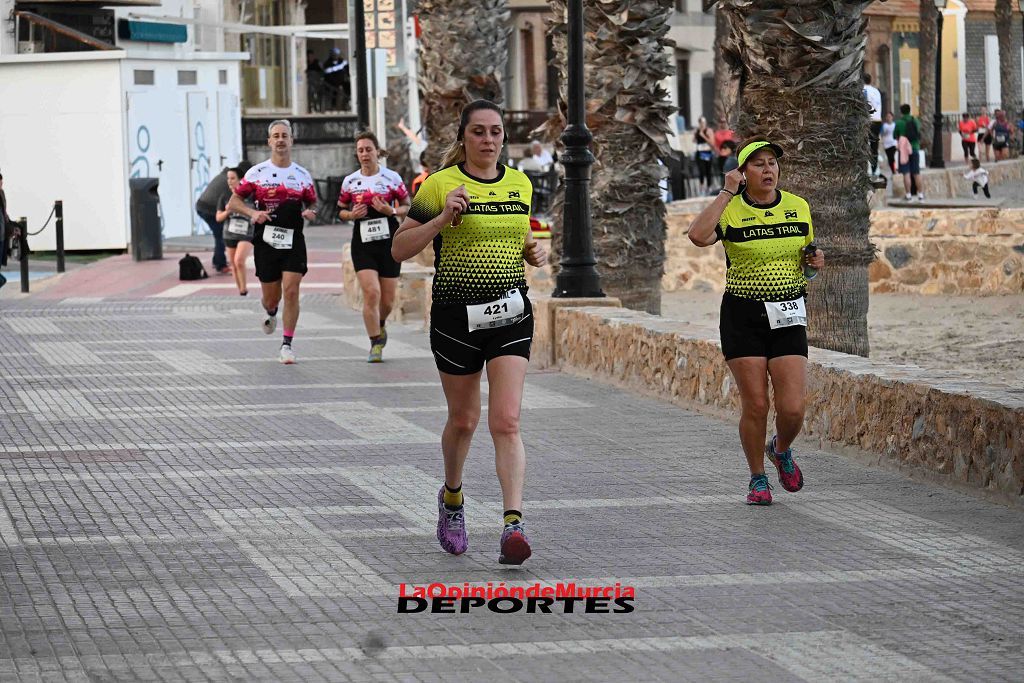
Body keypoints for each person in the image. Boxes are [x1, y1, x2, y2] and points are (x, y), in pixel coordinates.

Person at [391, 99, 546, 565]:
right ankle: (453, 499)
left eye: (496, 131)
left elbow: (513, 235)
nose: (489, 140)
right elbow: (399, 248)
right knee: (464, 421)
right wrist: (440, 220)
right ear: (463, 137)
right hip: (457, 319)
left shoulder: (520, 183)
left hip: (512, 316)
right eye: (478, 132)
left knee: (507, 421)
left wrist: (530, 252)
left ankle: (513, 525)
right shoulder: (439, 185)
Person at [686, 138, 824, 505]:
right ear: (743, 173)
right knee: (757, 404)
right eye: (758, 164)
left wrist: (812, 268)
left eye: (772, 164)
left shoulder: (797, 207)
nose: (768, 170)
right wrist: (726, 194)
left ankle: (779, 449)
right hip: (743, 315)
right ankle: (757, 478)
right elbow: (698, 236)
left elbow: (805, 261)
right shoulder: (731, 210)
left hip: (788, 313)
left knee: (793, 407)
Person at [228, 120, 318, 364]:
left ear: (291, 141)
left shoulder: (302, 175)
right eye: (275, 136)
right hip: (266, 240)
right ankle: (270, 311)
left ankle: (287, 344)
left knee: (291, 290)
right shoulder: (257, 173)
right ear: (269, 141)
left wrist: (310, 212)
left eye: (284, 136)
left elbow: (312, 203)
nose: (280, 140)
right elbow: (233, 202)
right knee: (271, 297)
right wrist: (253, 213)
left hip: (293, 239)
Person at [338, 131, 411, 362]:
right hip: (362, 243)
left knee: (388, 300)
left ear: (377, 152)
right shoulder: (350, 181)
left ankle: (380, 323)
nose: (364, 154)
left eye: (368, 149)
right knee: (372, 292)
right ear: (356, 154)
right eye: (360, 150)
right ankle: (374, 343)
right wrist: (351, 214)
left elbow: (408, 206)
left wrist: (391, 211)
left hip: (389, 242)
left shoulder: (392, 178)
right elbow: (339, 210)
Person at [218, 167, 254, 296]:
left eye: (232, 178)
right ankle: (241, 291)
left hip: (247, 233)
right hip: (229, 234)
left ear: (241, 180)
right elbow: (218, 217)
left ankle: (244, 288)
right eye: (228, 178)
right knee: (233, 264)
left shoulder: (250, 195)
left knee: (239, 260)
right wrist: (228, 210)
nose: (229, 181)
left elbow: (256, 212)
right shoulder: (225, 196)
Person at [195, 168, 232, 274]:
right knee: (220, 235)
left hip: (201, 206)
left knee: (219, 234)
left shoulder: (222, 176)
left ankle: (217, 260)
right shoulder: (229, 181)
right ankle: (220, 265)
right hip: (209, 210)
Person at [894, 103, 923, 201]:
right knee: (916, 172)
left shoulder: (899, 123)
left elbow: (895, 135)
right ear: (909, 110)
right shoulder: (915, 120)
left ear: (901, 112)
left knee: (906, 173)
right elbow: (919, 131)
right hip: (915, 148)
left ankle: (909, 195)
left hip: (904, 150)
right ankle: (920, 194)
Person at [0, 172, 18, 290]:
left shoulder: (1, 194)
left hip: (1, 236)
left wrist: (12, 228)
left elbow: (4, 214)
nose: (1, 184)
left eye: (1, 182)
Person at [863, 73, 883, 177]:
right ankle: (875, 170)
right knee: (874, 147)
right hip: (877, 121)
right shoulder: (876, 91)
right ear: (870, 80)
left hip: (867, 121)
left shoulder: (863, 90)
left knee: (863, 145)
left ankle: (865, 170)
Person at [694, 117, 715, 194]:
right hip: (699, 152)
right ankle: (702, 188)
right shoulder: (697, 130)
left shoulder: (709, 131)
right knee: (701, 170)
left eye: (703, 122)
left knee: (708, 170)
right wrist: (696, 134)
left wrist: (703, 136)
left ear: (705, 123)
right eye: (700, 123)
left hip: (707, 152)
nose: (702, 124)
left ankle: (709, 187)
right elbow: (694, 140)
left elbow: (712, 143)